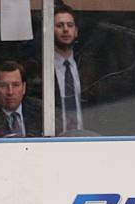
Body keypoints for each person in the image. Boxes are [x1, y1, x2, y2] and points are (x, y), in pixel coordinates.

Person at [54, 4, 84, 134]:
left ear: (76, 31)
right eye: (59, 25)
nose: (65, 30)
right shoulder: (42, 69)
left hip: (86, 139)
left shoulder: (86, 66)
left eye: (70, 25)